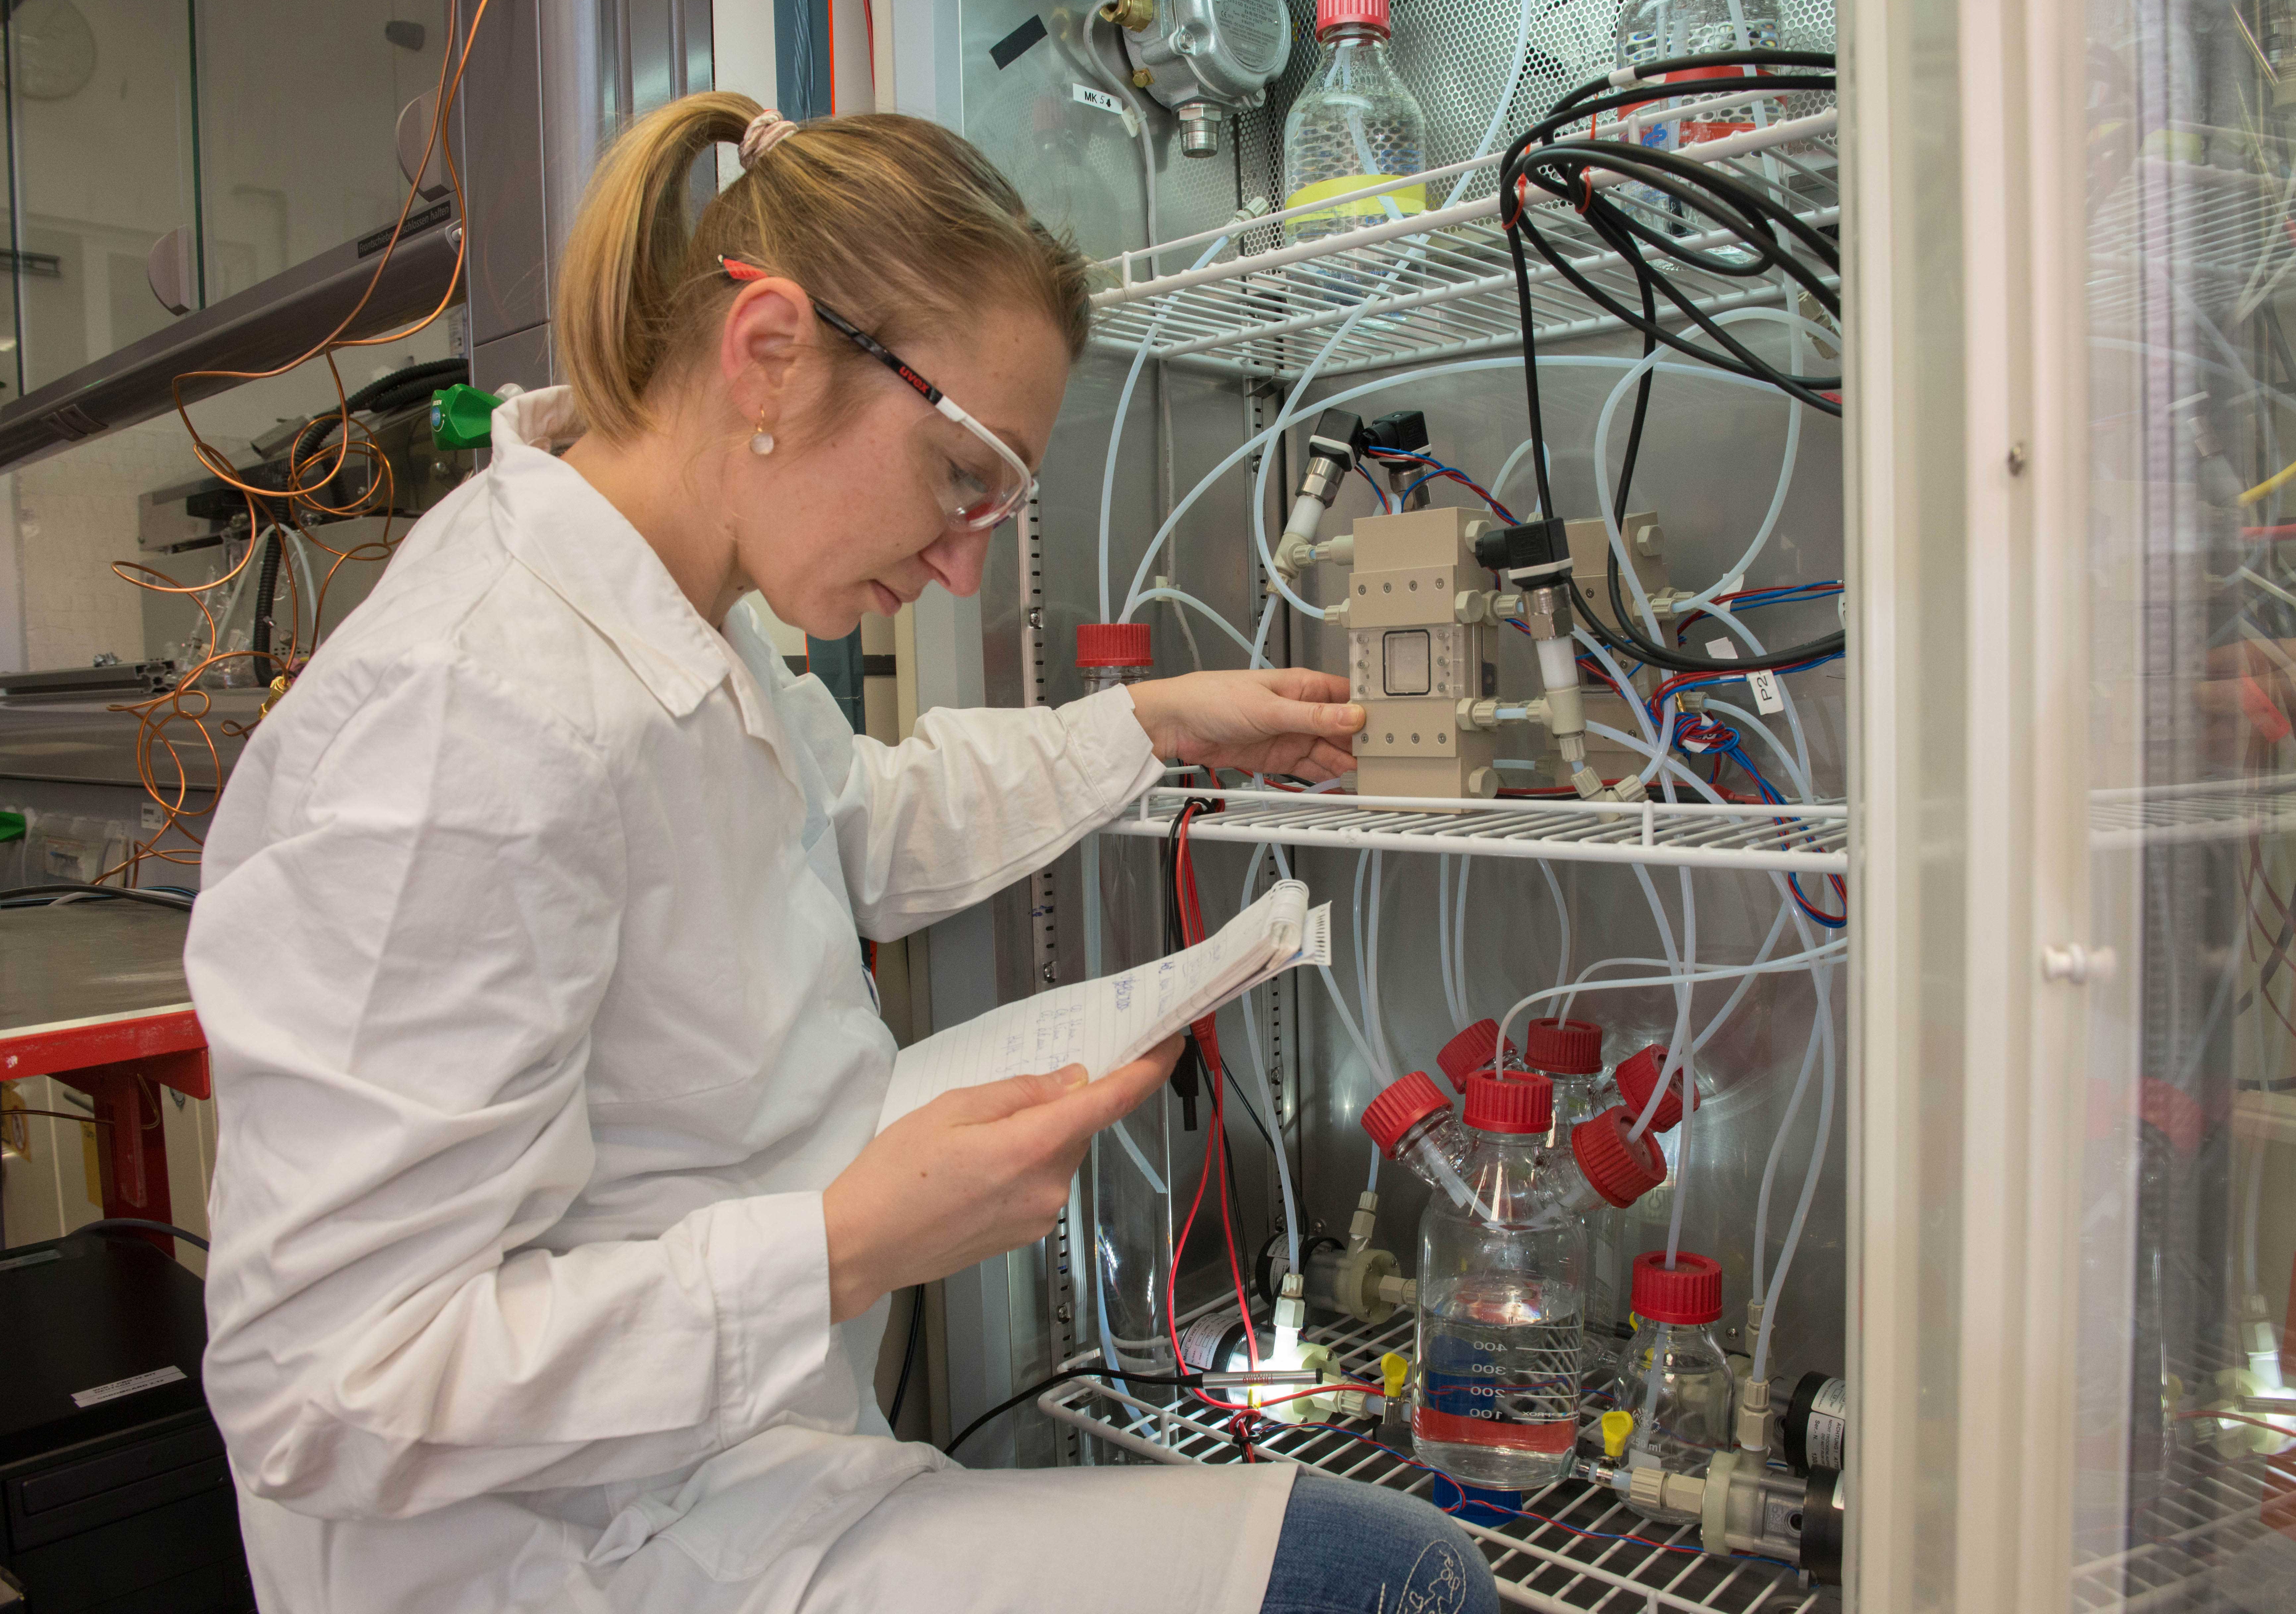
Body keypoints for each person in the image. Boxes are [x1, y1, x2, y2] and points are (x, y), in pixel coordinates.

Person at [189, 95, 1499, 1614]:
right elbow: (326, 1389)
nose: (964, 559)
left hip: (739, 1476)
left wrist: (1152, 722)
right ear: (770, 352)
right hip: (566, 1557)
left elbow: (856, 821)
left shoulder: (680, 606)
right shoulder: (464, 717)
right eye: (960, 476)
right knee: (1393, 1582)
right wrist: (845, 1243)